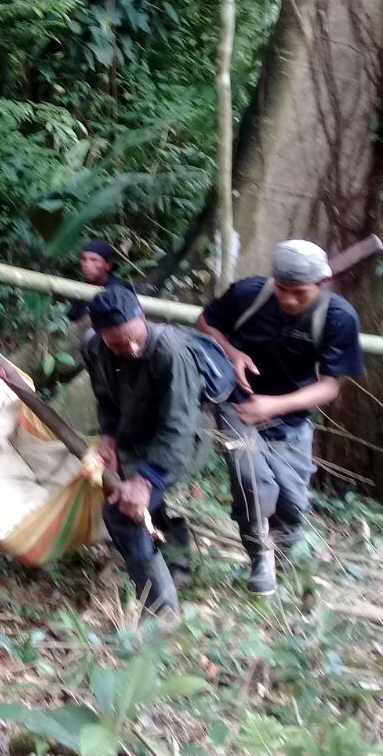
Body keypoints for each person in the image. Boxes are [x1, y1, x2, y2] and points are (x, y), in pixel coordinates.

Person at [197, 239, 364, 595]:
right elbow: (206, 322)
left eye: (299, 294)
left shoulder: (337, 318)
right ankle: (260, 555)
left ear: (323, 283)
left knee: (292, 503)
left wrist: (273, 406)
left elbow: (330, 386)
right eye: (282, 290)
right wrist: (232, 352)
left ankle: (286, 550)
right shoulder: (248, 295)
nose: (288, 300)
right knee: (250, 480)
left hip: (290, 417)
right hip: (238, 403)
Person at [83, 286, 211, 617]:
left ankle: (160, 607)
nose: (132, 348)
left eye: (134, 337)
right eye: (118, 344)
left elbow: (179, 427)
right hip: (134, 439)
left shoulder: (171, 353)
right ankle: (176, 561)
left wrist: (146, 479)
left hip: (182, 442)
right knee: (139, 503)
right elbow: (106, 399)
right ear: (100, 336)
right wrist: (108, 437)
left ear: (142, 317)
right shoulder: (94, 349)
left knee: (123, 511)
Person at [68, 238, 127, 324]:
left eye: (93, 260)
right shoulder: (82, 286)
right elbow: (72, 317)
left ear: (108, 265)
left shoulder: (116, 289)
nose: (86, 265)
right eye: (84, 259)